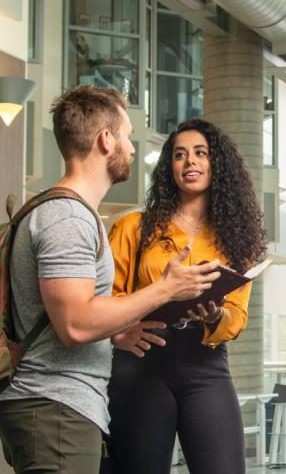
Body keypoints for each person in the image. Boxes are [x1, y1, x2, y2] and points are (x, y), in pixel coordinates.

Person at [0, 87, 219, 474]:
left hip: (56, 409)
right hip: (56, 411)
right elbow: (75, 324)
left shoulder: (62, 212)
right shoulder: (68, 218)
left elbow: (68, 317)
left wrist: (116, 330)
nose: (132, 149)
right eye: (127, 135)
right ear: (105, 140)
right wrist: (165, 289)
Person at [106, 118, 267, 474]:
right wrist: (120, 333)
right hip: (142, 361)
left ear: (217, 164)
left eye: (200, 153)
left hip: (206, 364)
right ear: (169, 168)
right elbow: (105, 299)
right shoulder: (133, 227)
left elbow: (236, 317)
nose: (189, 162)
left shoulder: (236, 241)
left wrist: (214, 317)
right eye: (179, 155)